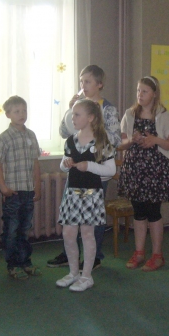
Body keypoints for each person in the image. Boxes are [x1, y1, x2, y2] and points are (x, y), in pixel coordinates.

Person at [47, 65, 121, 269]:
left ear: (99, 84)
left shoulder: (108, 109)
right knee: (71, 217)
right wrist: (71, 110)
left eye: (88, 81)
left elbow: (115, 139)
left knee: (92, 218)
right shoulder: (78, 106)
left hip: (97, 170)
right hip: (76, 170)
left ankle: (93, 257)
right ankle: (68, 254)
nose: (83, 85)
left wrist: (94, 130)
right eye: (81, 81)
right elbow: (65, 133)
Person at [118, 76, 169, 271]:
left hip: (155, 171)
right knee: (139, 212)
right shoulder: (129, 114)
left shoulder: (164, 115)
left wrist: (155, 140)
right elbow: (120, 144)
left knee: (153, 212)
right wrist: (132, 140)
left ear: (154, 93)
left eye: (144, 91)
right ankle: (139, 252)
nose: (140, 94)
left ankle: (157, 255)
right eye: (138, 90)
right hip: (134, 169)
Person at [56, 99, 116, 291]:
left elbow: (111, 170)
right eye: (72, 114)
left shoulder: (102, 142)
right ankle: (74, 272)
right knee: (68, 233)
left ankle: (86, 276)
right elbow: (64, 164)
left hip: (91, 194)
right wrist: (65, 164)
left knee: (87, 234)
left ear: (90, 118)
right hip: (72, 193)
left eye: (77, 114)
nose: (72, 118)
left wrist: (89, 166)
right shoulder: (70, 141)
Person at [0, 96, 42, 280]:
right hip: (13, 192)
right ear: (8, 115)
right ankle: (12, 264)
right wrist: (3, 187)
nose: (22, 114)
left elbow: (35, 163)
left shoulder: (31, 135)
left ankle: (25, 262)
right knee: (11, 230)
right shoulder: (4, 138)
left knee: (25, 229)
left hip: (28, 191)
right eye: (17, 111)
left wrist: (38, 186)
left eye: (24, 110)